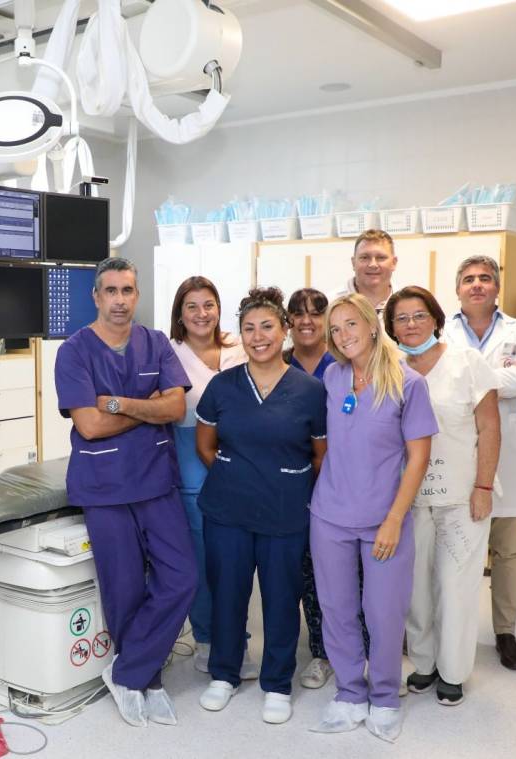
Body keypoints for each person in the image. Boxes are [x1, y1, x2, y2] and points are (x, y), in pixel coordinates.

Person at [54, 257, 198, 728]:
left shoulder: (155, 343)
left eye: (128, 290)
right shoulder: (74, 352)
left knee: (181, 577)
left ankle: (127, 671)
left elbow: (175, 407)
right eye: (111, 291)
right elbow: (90, 426)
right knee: (124, 587)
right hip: (104, 486)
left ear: (137, 296)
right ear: (96, 297)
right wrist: (148, 407)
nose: (119, 300)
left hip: (156, 480)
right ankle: (147, 678)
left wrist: (120, 403)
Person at [309, 293, 438, 744]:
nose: (343, 336)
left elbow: (418, 458)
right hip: (330, 515)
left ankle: (384, 697)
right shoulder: (333, 376)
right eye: (336, 329)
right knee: (337, 609)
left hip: (385, 518)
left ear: (371, 323)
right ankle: (349, 692)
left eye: (350, 325)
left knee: (383, 612)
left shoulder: (408, 382)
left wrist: (394, 519)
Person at [194, 287, 327, 725]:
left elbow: (319, 455)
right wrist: (242, 474)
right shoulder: (223, 386)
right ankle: (225, 674)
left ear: (284, 329)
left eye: (267, 326)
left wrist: (280, 480)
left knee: (280, 598)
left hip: (285, 512)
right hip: (228, 510)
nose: (258, 336)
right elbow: (205, 446)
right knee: (228, 594)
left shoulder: (310, 391)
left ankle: (276, 682)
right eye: (249, 328)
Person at [384, 286, 501, 707]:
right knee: (415, 588)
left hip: (461, 494)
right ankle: (424, 663)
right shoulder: (390, 366)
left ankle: (452, 672)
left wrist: (484, 486)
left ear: (436, 318)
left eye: (419, 315)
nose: (411, 324)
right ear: (391, 327)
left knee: (455, 587)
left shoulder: (467, 362)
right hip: (408, 498)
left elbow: (489, 427)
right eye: (401, 318)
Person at [443, 255, 516, 672]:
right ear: (458, 288)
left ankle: (504, 630)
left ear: (497, 287)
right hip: (458, 451)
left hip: (511, 454)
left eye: (485, 278)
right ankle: (439, 626)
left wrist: (472, 381)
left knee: (507, 549)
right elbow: (434, 376)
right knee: (449, 549)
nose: (477, 284)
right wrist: (492, 380)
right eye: (468, 279)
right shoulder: (442, 331)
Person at [166, 276, 255, 679]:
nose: (202, 314)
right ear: (180, 314)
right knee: (203, 560)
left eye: (209, 305)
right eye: (192, 306)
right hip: (191, 460)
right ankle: (205, 638)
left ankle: (237, 640)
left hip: (244, 458)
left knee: (237, 558)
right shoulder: (169, 353)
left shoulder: (239, 346)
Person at [282, 288, 338, 690]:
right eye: (298, 314)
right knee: (301, 574)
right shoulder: (275, 364)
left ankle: (337, 651)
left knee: (335, 575)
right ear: (288, 321)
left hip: (338, 483)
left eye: (316, 314)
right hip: (290, 485)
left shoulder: (343, 363)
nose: (307, 321)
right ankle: (310, 651)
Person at [327, 229, 398, 313]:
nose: (373, 264)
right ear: (353, 263)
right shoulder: (330, 304)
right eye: (364, 257)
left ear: (394, 263)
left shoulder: (406, 302)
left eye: (381, 258)